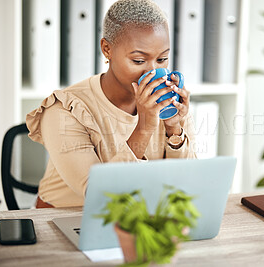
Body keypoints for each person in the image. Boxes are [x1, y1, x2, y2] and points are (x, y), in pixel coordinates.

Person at [26, 0, 196, 208]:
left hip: (137, 216)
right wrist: (144, 127)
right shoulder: (63, 109)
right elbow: (99, 195)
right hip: (63, 218)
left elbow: (184, 186)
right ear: (107, 49)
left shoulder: (168, 101)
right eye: (139, 61)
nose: (152, 73)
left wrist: (174, 128)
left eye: (162, 60)